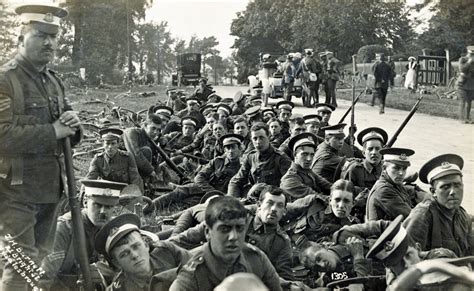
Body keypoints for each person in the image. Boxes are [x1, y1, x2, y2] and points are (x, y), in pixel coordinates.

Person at [0, 5, 82, 291]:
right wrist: (53, 131)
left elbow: (70, 130)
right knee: (21, 262)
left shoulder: (53, 81)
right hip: (14, 191)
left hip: (49, 188)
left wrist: (73, 124)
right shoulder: (5, 80)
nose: (49, 42)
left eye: (53, 36)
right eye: (40, 35)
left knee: (38, 261)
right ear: (21, 38)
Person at [169, 196, 283, 291]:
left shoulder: (256, 258)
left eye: (239, 228)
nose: (233, 237)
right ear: (208, 232)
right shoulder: (192, 276)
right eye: (224, 229)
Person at [40, 180, 128, 290]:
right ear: (85, 201)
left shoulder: (114, 229)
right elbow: (44, 278)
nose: (102, 212)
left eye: (108, 207)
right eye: (97, 205)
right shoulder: (65, 229)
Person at [95, 214, 190, 291]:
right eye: (124, 254)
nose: (135, 256)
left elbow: (198, 271)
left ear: (146, 245)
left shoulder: (167, 252)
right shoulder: (118, 289)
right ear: (117, 263)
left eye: (136, 246)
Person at [403, 154, 473, 257]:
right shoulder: (423, 215)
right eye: (445, 187)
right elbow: (405, 257)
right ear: (433, 191)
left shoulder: (462, 215)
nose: (453, 192)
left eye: (457, 185)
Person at [228, 122, 292, 198]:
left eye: (261, 137)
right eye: (255, 138)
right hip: (253, 199)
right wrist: (233, 202)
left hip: (273, 200)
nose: (258, 142)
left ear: (268, 136)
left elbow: (288, 186)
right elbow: (235, 181)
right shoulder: (251, 157)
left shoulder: (281, 158)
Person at [366, 147, 417, 221]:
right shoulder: (384, 190)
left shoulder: (395, 184)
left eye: (404, 168)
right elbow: (411, 218)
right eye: (396, 168)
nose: (401, 173)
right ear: (384, 168)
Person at [86, 128, 143, 193]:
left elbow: (135, 179)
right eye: (107, 143)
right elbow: (90, 178)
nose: (110, 147)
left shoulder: (127, 157)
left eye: (113, 144)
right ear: (103, 145)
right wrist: (83, 193)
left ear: (118, 144)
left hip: (125, 193)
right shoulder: (98, 159)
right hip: (106, 193)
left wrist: (137, 196)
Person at [280, 133, 331, 201]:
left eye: (312, 155)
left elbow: (327, 185)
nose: (309, 159)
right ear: (295, 154)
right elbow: (316, 198)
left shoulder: (307, 171)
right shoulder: (290, 179)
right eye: (304, 154)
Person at [123, 114, 163, 182]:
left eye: (158, 130)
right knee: (146, 150)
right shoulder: (132, 132)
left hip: (134, 167)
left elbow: (154, 160)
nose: (156, 132)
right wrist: (150, 171)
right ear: (145, 126)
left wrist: (157, 171)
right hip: (121, 167)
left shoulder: (149, 138)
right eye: (153, 128)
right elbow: (135, 154)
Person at [457, 45, 474, 123]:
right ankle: (462, 118)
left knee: (469, 102)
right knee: (463, 101)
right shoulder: (463, 59)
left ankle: (467, 118)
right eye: (471, 53)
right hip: (462, 84)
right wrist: (469, 62)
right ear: (468, 52)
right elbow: (462, 69)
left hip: (471, 85)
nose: (472, 55)